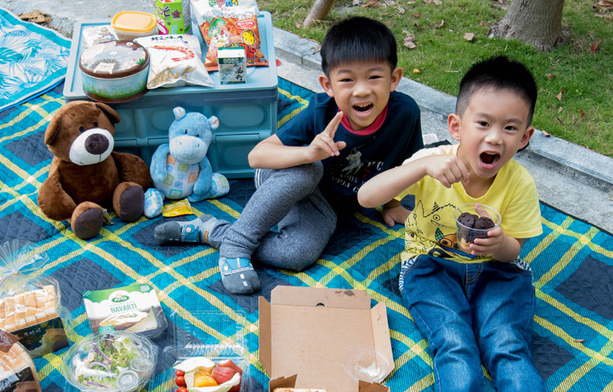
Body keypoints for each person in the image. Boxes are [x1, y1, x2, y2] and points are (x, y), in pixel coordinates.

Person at [357, 56, 556, 392]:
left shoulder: (519, 183)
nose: (494, 138)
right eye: (483, 123)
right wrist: (421, 167)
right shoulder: (434, 162)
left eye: (509, 128)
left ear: (525, 137)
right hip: (431, 267)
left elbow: (514, 249)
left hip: (496, 272)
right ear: (456, 126)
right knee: (454, 341)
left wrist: (501, 243)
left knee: (506, 342)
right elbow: (367, 197)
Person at [155, 16, 423, 294]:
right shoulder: (321, 112)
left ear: (394, 79)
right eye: (347, 79)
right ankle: (237, 245)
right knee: (311, 168)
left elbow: (404, 163)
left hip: (324, 207)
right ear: (327, 85)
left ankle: (214, 231)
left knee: (296, 255)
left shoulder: (405, 114)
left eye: (374, 77)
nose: (362, 90)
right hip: (283, 178)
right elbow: (257, 157)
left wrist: (392, 203)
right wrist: (308, 152)